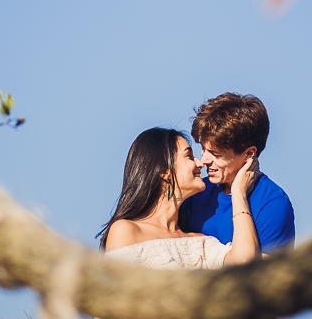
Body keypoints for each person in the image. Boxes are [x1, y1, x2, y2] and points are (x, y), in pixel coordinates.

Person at [97, 127, 261, 269]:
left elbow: (244, 263)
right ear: (164, 171)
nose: (200, 163)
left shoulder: (201, 244)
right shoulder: (126, 231)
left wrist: (238, 192)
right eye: (189, 156)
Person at [180, 93, 295, 254]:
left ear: (249, 154)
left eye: (216, 154)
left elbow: (265, 274)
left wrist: (239, 194)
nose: (204, 160)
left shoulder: (273, 203)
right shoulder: (196, 191)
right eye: (203, 149)